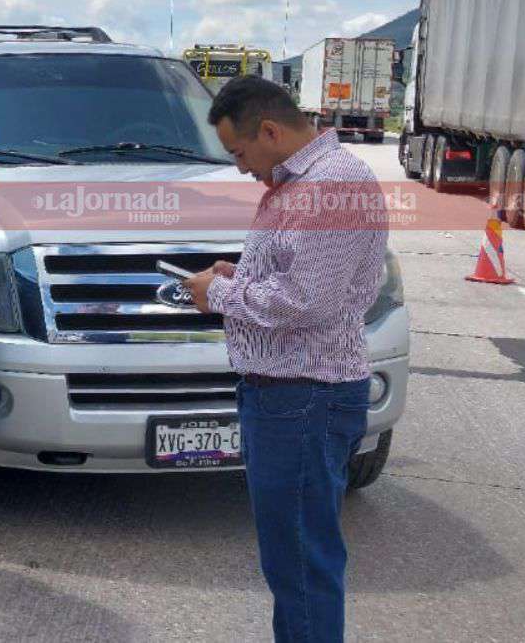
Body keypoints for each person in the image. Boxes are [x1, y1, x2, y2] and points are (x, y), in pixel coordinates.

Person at [182, 76, 385, 643]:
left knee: (299, 563)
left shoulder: (328, 185)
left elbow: (307, 301)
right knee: (293, 558)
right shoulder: (306, 181)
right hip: (291, 395)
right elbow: (301, 277)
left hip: (302, 395)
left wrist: (218, 296)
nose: (242, 167)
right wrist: (239, 275)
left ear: (270, 130)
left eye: (241, 153)